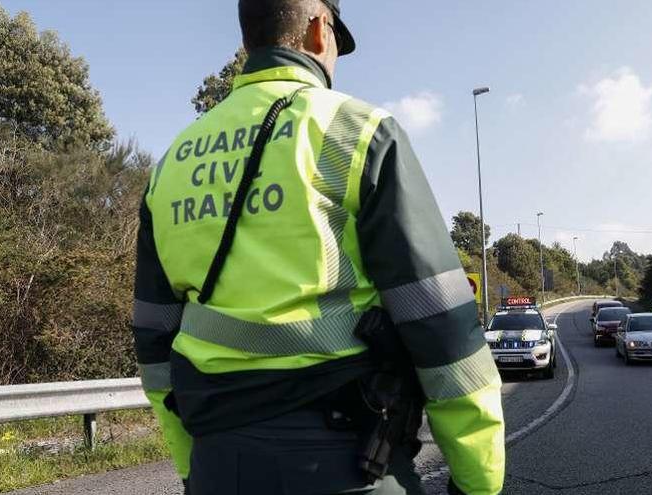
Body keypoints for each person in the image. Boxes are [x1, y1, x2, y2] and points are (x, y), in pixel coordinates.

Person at [130, 1, 505, 494]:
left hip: (218, 465)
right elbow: (440, 326)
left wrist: (190, 463)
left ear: (250, 38)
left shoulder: (171, 164)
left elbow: (154, 344)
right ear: (315, 30)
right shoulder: (358, 132)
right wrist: (479, 481)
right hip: (349, 460)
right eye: (337, 43)